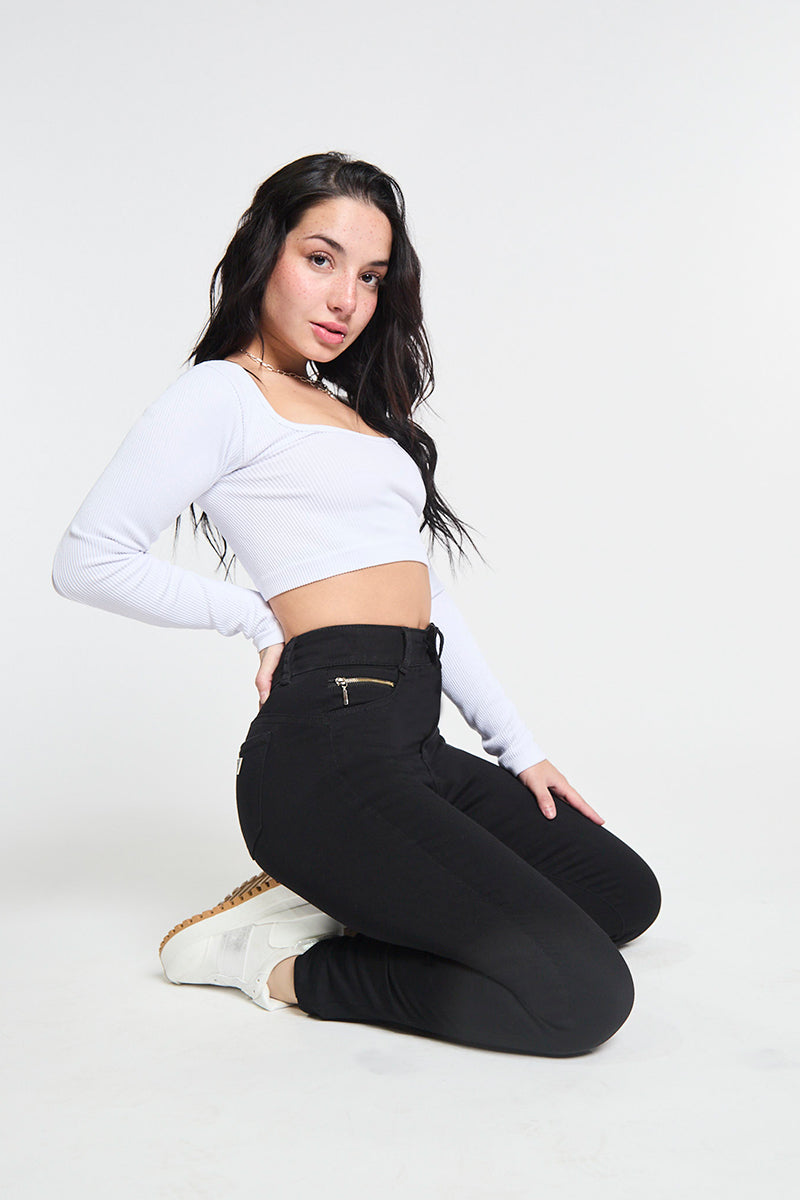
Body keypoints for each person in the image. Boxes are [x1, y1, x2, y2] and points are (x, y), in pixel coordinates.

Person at [51, 150, 661, 1057]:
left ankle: (344, 892)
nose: (346, 298)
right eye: (321, 259)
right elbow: (87, 559)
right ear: (265, 253)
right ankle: (271, 961)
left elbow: (424, 595)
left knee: (621, 896)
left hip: (414, 736)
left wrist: (520, 749)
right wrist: (254, 618)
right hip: (326, 756)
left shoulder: (353, 411)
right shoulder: (222, 395)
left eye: (370, 276)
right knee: (581, 999)